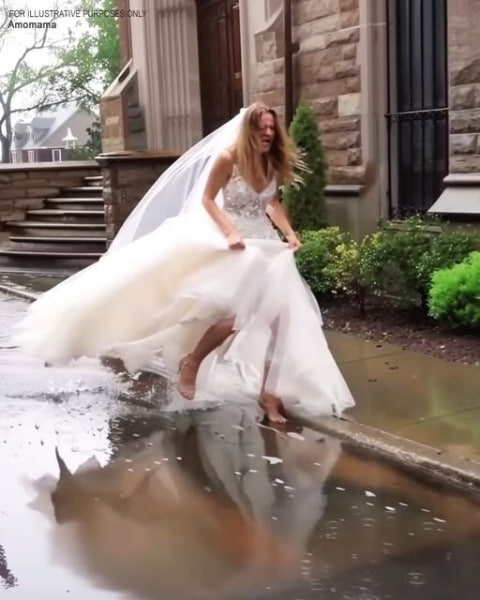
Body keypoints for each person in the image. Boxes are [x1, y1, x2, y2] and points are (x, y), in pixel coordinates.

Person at [14, 102, 354, 423]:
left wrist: (289, 233)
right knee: (230, 320)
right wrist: (230, 232)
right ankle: (192, 362)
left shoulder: (271, 162)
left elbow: (273, 203)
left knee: (282, 320)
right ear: (248, 131)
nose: (268, 134)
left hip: (265, 246)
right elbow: (208, 199)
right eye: (262, 128)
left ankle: (269, 394)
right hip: (235, 245)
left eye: (271, 129)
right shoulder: (228, 158)